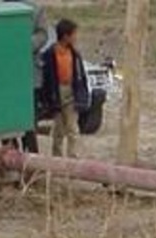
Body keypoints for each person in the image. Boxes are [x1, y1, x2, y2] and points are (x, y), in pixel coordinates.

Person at [41, 19, 90, 158]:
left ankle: (72, 156)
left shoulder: (74, 54)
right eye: (74, 34)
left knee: (73, 127)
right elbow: (47, 78)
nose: (76, 37)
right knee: (58, 129)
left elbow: (80, 75)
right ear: (65, 36)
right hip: (57, 93)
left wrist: (82, 93)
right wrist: (49, 99)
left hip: (71, 91)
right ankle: (57, 157)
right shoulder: (51, 54)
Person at [3, 0, 48, 153]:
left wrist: (23, 44)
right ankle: (9, 158)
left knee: (28, 122)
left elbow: (43, 35)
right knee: (6, 121)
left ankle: (32, 163)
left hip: (29, 76)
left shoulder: (35, 9)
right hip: (4, 76)